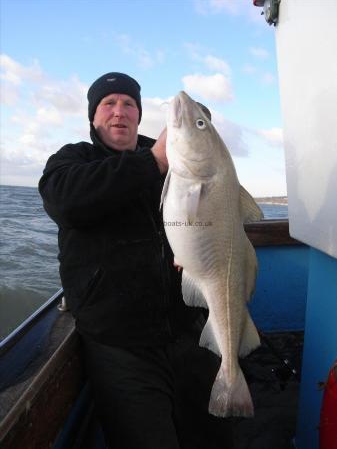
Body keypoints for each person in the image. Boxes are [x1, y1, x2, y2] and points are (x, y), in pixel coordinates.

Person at [39, 72, 233, 449]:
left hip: (188, 330)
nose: (119, 112)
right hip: (121, 346)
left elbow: (209, 198)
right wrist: (154, 162)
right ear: (93, 116)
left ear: (140, 115)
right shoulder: (72, 160)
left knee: (214, 437)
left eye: (128, 104)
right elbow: (64, 202)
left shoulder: (172, 157)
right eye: (108, 104)